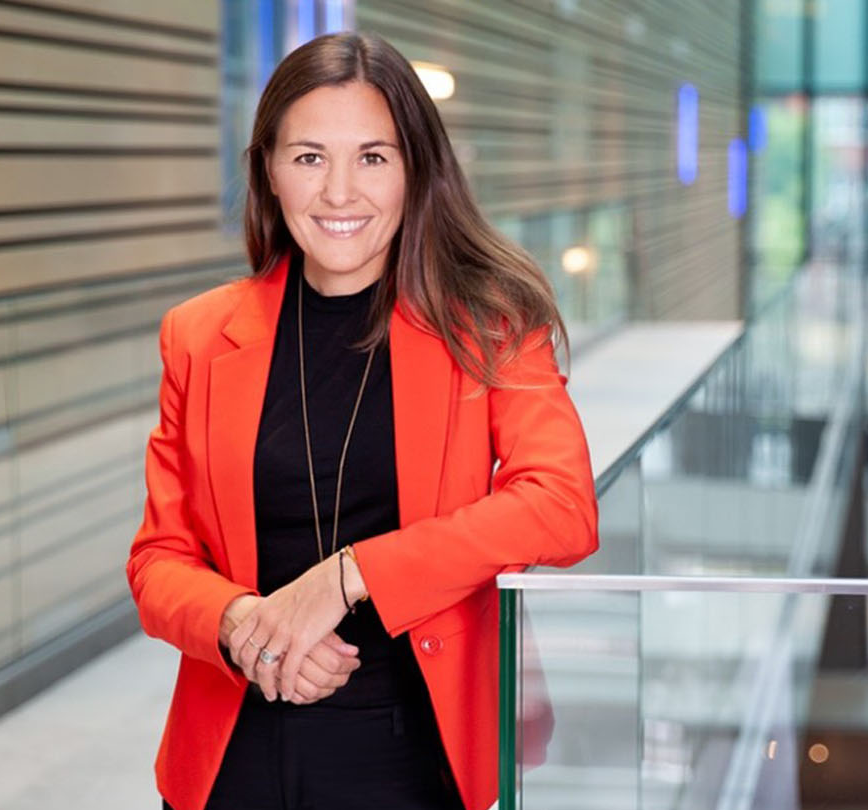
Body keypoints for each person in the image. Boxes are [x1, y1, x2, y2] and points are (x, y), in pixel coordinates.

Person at [126, 31, 598, 810]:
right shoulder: (199, 336)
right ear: (269, 172)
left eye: (373, 157)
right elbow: (158, 561)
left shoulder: (488, 324)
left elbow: (561, 505)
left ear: (415, 172)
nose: (340, 192)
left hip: (411, 752)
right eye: (310, 157)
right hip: (233, 751)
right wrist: (245, 625)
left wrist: (350, 576)